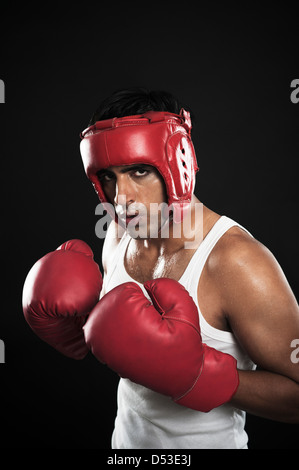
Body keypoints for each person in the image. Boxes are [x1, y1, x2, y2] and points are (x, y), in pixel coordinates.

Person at [22, 88, 299, 449]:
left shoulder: (234, 261)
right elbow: (127, 340)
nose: (122, 198)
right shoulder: (118, 236)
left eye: (138, 171)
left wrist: (197, 375)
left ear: (179, 164)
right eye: (108, 176)